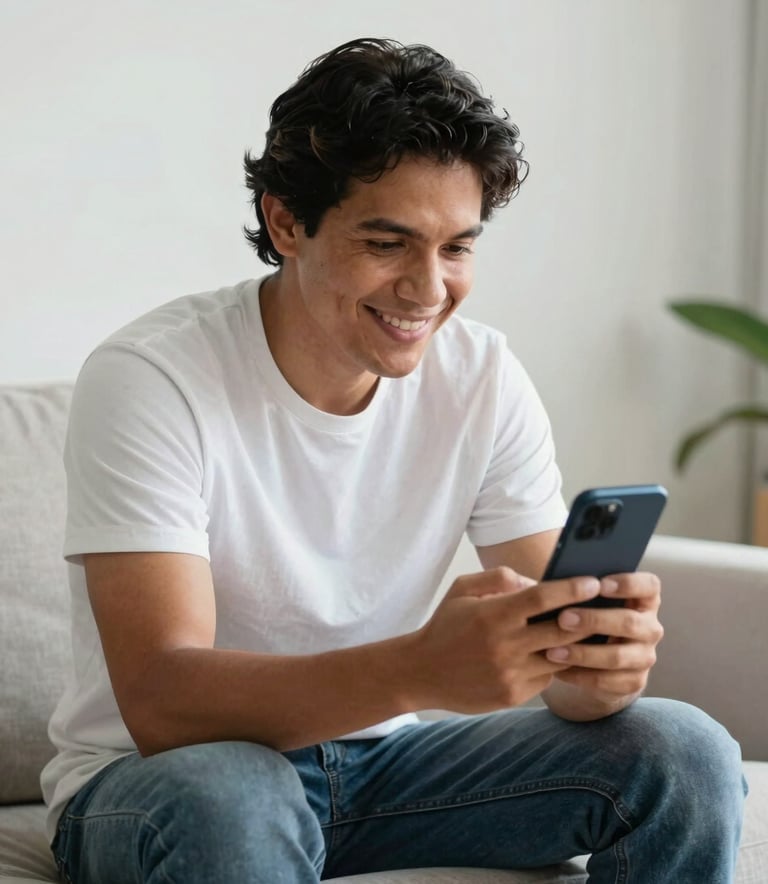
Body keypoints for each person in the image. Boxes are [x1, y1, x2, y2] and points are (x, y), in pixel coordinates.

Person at [43, 37, 745, 884]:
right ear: (286, 222)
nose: (428, 289)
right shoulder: (154, 378)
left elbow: (565, 681)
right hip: (168, 783)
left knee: (685, 752)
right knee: (234, 796)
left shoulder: (482, 376)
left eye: (457, 247)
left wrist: (597, 669)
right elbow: (161, 702)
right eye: (388, 243)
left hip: (388, 772)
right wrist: (419, 669)